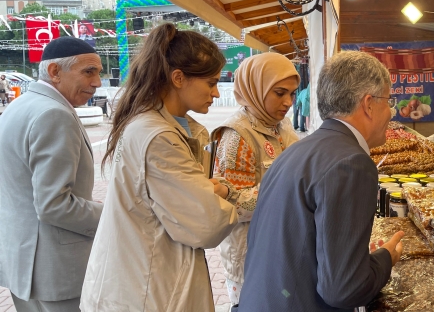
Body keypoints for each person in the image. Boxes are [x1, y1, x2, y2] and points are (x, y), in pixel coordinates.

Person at [80, 23, 240, 312]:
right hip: (149, 287)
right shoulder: (158, 135)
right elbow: (205, 223)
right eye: (211, 82)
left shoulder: (160, 125)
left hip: (146, 277)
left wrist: (206, 191)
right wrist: (223, 191)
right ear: (178, 78)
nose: (216, 93)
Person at [238, 51, 405, 312]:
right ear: (369, 104)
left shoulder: (298, 150)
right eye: (388, 100)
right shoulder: (352, 163)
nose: (391, 112)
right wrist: (386, 259)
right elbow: (343, 289)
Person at [0, 37, 104, 311]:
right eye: (88, 72)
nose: (97, 83)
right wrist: (109, 214)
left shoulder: (19, 106)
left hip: (23, 264)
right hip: (55, 269)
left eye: (98, 73)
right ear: (54, 72)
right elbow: (54, 205)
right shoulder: (54, 114)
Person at [211, 52, 300, 308]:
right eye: (280, 93)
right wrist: (287, 188)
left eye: (292, 94)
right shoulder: (237, 136)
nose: (288, 102)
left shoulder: (281, 126)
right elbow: (234, 206)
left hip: (279, 248)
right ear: (255, 88)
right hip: (250, 255)